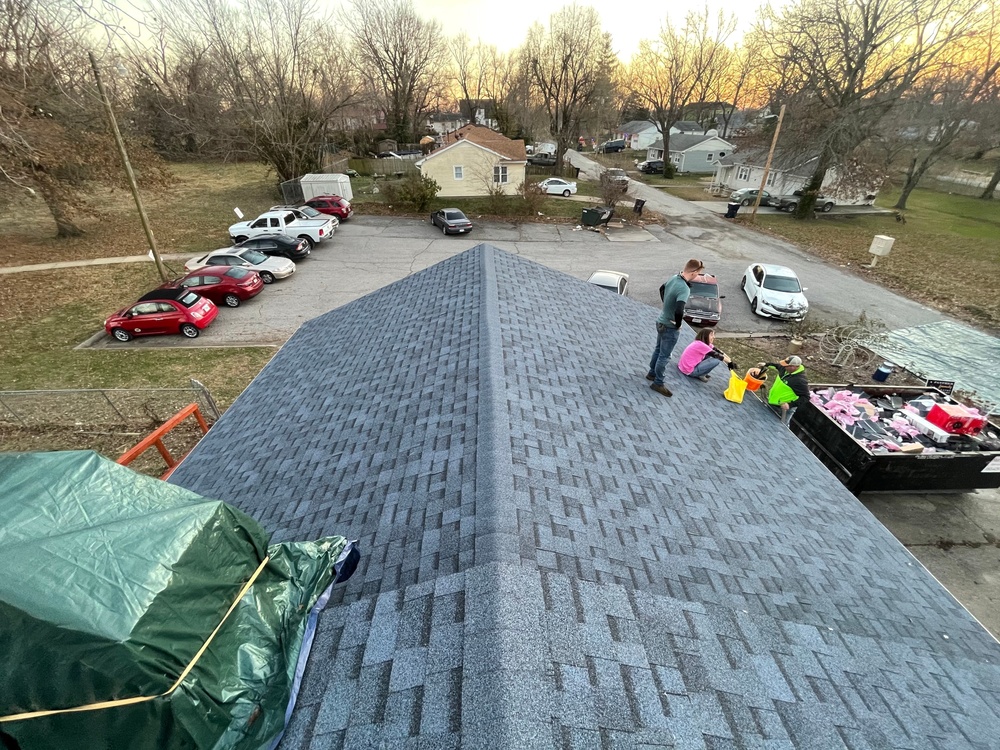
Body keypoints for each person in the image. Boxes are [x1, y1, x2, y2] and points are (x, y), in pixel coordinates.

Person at [646, 258, 704, 397]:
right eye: (698, 273)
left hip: (660, 321)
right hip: (669, 327)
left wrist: (666, 307)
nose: (698, 276)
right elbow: (679, 310)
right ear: (694, 272)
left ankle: (651, 373)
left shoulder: (674, 278)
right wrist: (677, 324)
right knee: (664, 356)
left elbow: (662, 288)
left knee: (658, 349)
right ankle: (658, 383)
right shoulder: (684, 288)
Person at [758, 356, 809, 425]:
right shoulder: (785, 369)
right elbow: (777, 366)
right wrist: (766, 364)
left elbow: (805, 397)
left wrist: (790, 405)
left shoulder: (799, 381)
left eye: (786, 366)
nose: (784, 367)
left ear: (794, 367)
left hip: (783, 410)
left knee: (780, 429)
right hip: (772, 402)